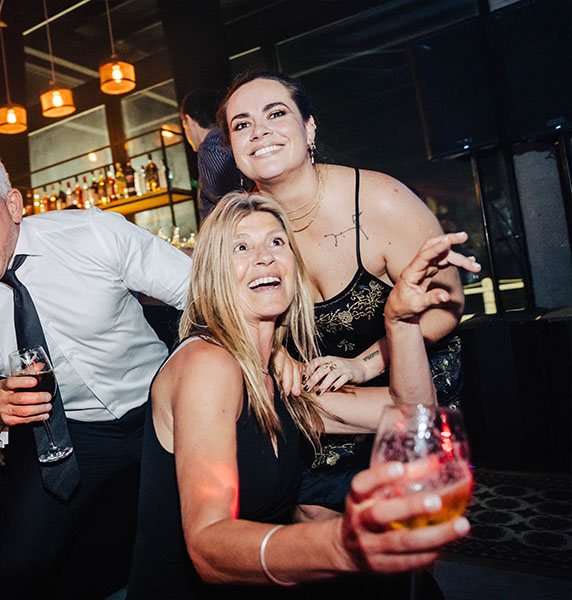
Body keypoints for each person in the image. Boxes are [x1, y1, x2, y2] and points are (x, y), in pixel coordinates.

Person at [127, 192, 481, 598]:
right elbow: (208, 547)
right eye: (241, 247)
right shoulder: (207, 365)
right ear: (212, 273)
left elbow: (416, 414)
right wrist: (341, 544)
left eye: (277, 242)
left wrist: (400, 324)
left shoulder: (279, 373)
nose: (265, 257)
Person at [0, 144, 192, 598]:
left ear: (12, 205)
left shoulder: (90, 233)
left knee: (185, 543)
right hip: (76, 432)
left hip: (163, 407)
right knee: (10, 569)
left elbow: (200, 291)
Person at [218, 68, 467, 517]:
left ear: (309, 127)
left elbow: (446, 304)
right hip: (317, 404)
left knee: (404, 528)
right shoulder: (238, 229)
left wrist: (363, 364)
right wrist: (273, 351)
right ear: (233, 149)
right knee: (312, 524)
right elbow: (221, 314)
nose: (259, 131)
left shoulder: (379, 200)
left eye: (276, 114)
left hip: (408, 384)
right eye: (242, 124)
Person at [180, 88, 251, 221]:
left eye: (184, 125)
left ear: (189, 121)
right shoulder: (228, 140)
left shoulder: (210, 148)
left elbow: (234, 203)